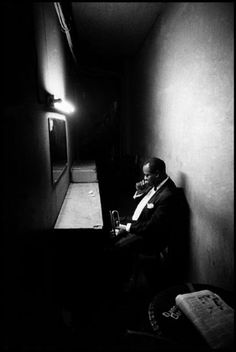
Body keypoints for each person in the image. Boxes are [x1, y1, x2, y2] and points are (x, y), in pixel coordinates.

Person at [107, 157, 180, 292]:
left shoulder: (167, 194)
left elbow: (153, 228)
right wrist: (140, 190)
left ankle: (124, 284)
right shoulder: (157, 184)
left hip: (151, 236)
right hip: (141, 222)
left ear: (157, 174)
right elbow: (143, 206)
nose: (144, 178)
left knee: (116, 247)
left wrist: (126, 227)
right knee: (111, 228)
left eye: (147, 175)